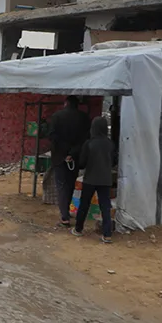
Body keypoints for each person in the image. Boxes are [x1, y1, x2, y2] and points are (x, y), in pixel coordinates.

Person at [47, 95, 91, 227]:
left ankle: (64, 217)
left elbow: (52, 136)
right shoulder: (84, 118)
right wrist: (72, 153)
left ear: (65, 103)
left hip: (59, 157)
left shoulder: (57, 116)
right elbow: (85, 139)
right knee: (71, 184)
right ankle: (66, 211)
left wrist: (64, 153)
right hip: (76, 157)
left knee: (61, 186)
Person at [73, 116, 115, 243]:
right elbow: (114, 161)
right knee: (105, 207)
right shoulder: (110, 144)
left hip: (90, 178)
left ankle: (78, 229)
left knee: (84, 204)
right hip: (106, 180)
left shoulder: (89, 143)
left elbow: (82, 163)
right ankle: (107, 235)